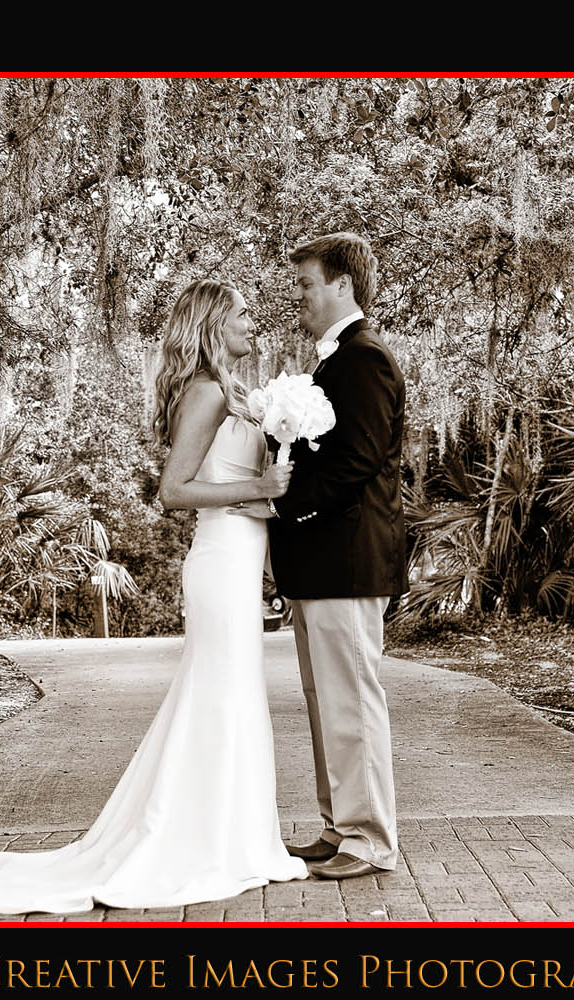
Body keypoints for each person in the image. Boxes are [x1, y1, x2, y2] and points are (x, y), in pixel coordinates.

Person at [0, 280, 309, 914]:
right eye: (241, 314)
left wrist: (269, 499)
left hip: (240, 557)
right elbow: (174, 492)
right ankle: (207, 840)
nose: (251, 324)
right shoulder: (206, 392)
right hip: (219, 558)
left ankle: (231, 833)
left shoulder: (230, 391)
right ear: (213, 323)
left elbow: (235, 486)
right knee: (221, 693)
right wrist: (259, 488)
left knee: (229, 694)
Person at [229, 232, 407, 880]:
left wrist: (280, 507)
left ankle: (370, 840)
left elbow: (355, 464)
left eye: (306, 283)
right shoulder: (335, 362)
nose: (298, 295)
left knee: (351, 701)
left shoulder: (365, 360)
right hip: (320, 566)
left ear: (342, 284)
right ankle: (340, 827)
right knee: (324, 701)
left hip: (347, 564)